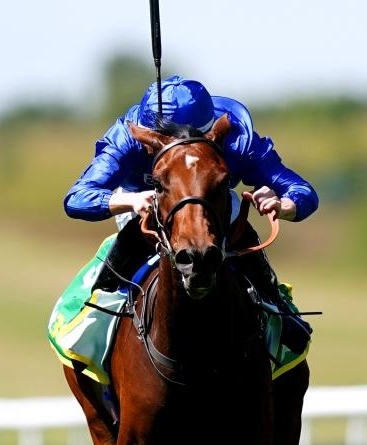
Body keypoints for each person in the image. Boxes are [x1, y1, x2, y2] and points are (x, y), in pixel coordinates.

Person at [63, 75, 318, 314]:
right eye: (157, 147)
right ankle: (98, 311)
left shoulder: (237, 141)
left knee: (236, 219)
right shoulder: (128, 139)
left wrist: (282, 205)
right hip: (143, 205)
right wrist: (132, 200)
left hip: (212, 206)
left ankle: (277, 307)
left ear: (212, 137)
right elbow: (77, 198)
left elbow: (303, 192)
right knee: (130, 237)